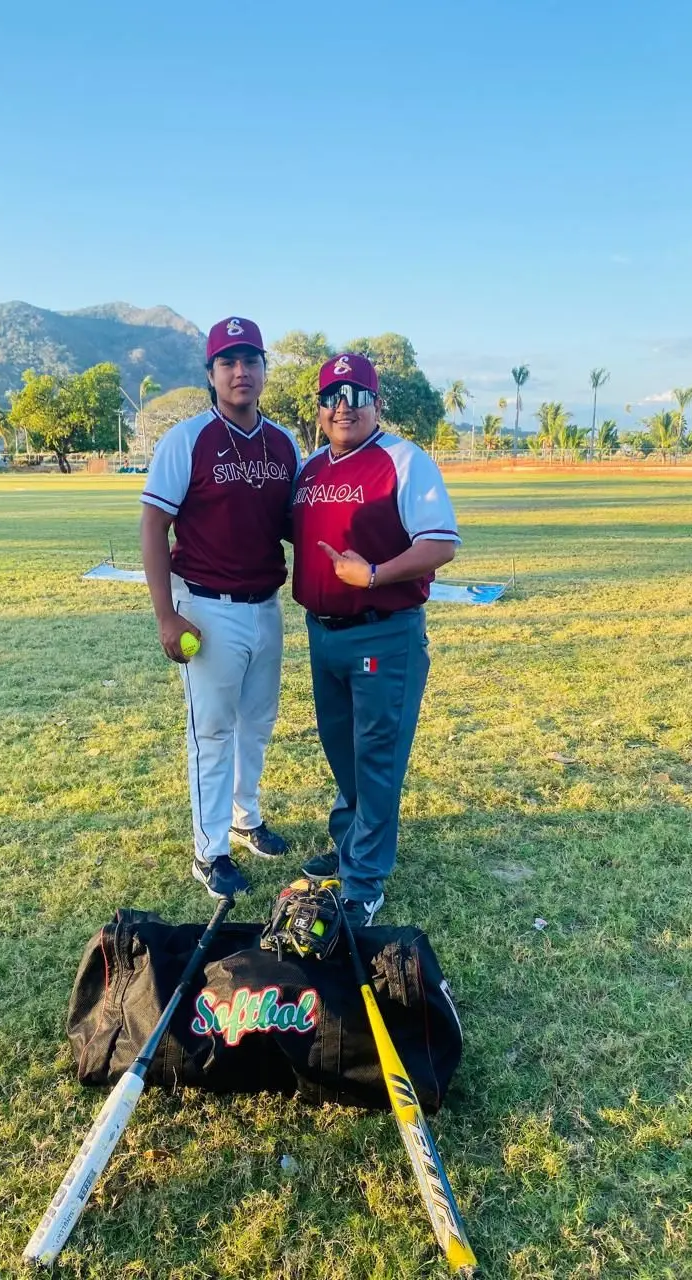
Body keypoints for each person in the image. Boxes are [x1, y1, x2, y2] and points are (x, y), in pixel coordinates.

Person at [291, 353, 460, 926]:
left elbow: (440, 544)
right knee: (343, 754)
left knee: (376, 758)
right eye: (332, 396)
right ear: (318, 409)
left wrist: (373, 574)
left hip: (383, 633)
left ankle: (364, 881)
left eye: (356, 395)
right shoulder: (311, 468)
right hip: (323, 633)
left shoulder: (403, 461)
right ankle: (349, 848)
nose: (343, 406)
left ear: (376, 403)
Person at [140, 317, 301, 899]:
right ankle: (209, 851)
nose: (240, 371)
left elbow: (294, 523)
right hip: (206, 606)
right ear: (210, 374)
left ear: (263, 370)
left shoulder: (283, 442)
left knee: (256, 722)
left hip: (265, 603)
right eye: (227, 362)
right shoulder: (187, 438)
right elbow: (154, 523)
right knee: (211, 730)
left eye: (250, 360)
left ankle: (245, 815)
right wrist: (166, 614)